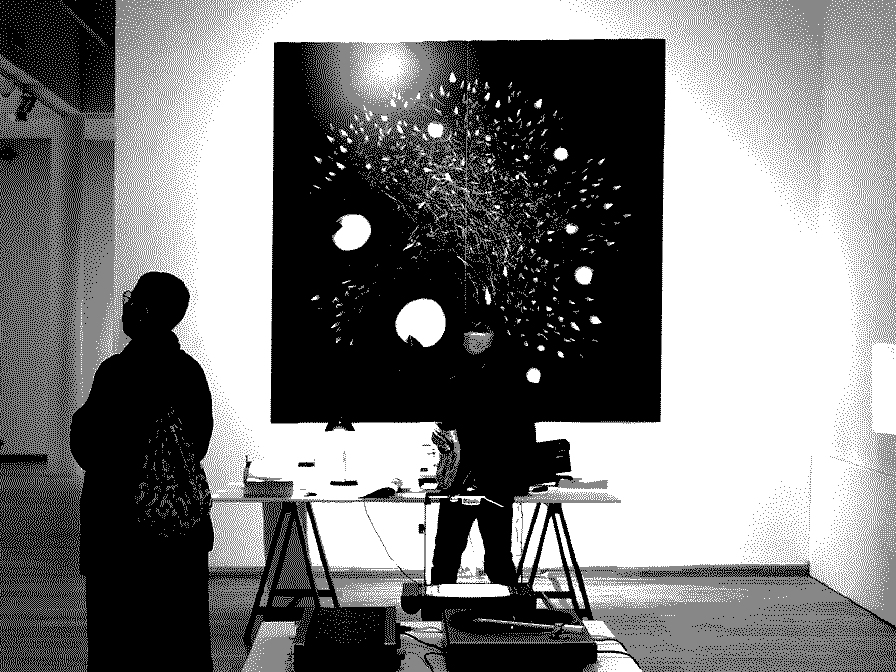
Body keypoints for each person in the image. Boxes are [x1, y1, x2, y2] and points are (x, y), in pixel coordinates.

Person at [70, 271, 214, 672]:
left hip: (119, 535)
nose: (126, 306)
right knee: (180, 642)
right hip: (179, 534)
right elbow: (197, 446)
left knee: (119, 644)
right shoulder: (190, 373)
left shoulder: (117, 373)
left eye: (131, 299)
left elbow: (89, 448)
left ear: (145, 311)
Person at [429, 308, 536, 586]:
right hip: (463, 481)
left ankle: (508, 608)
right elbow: (448, 429)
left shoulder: (509, 379)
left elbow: (523, 433)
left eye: (481, 332)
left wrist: (518, 479)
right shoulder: (453, 377)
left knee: (496, 559)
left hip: (493, 481)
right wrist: (444, 446)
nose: (474, 338)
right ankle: (443, 606)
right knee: (447, 555)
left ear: (493, 337)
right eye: (470, 332)